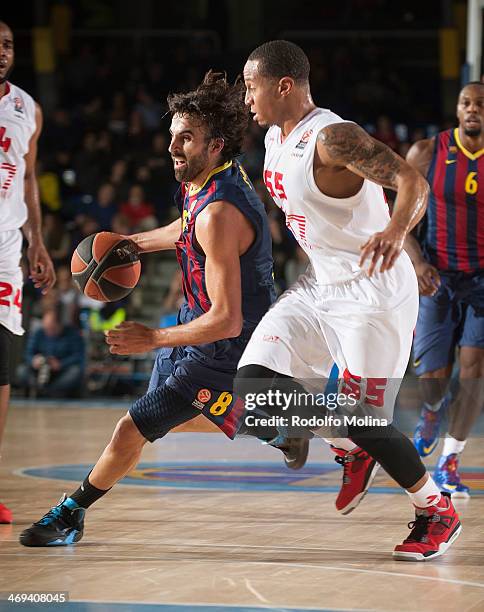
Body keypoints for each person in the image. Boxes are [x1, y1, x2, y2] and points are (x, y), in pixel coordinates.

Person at [20, 72, 304, 547]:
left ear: (215, 144)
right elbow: (184, 227)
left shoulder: (219, 213)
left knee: (133, 426)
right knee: (167, 420)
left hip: (224, 346)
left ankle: (71, 513)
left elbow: (227, 318)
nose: (173, 146)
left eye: (185, 137)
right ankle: (270, 427)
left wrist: (152, 337)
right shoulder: (209, 181)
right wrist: (134, 242)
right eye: (171, 134)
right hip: (203, 331)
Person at [236, 40, 461, 561]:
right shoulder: (273, 135)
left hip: (374, 292)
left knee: (365, 419)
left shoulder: (333, 138)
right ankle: (345, 444)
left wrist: (397, 228)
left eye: (252, 85)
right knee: (254, 387)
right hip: (321, 285)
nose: (248, 97)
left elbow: (411, 180)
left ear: (284, 85)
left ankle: (436, 511)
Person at [405, 81, 484, 497]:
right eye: (466, 103)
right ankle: (432, 411)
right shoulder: (426, 152)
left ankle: (450, 461)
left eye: (480, 104)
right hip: (435, 275)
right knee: (434, 377)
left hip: (482, 282)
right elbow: (398, 218)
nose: (473, 110)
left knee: (473, 370)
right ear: (457, 109)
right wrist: (417, 262)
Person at [0, 21, 56, 524]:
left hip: (5, 246)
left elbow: (29, 176)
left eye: (8, 45)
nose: (1, 53)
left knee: (1, 366)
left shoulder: (27, 108)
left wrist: (37, 241)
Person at [16, 306, 85, 398]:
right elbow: (28, 353)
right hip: (39, 369)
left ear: (60, 324)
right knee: (21, 370)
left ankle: (49, 391)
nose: (49, 332)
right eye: (47, 328)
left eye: (52, 328)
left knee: (75, 372)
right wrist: (33, 360)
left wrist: (60, 364)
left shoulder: (72, 334)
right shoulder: (39, 333)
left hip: (61, 371)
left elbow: (78, 356)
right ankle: (39, 389)